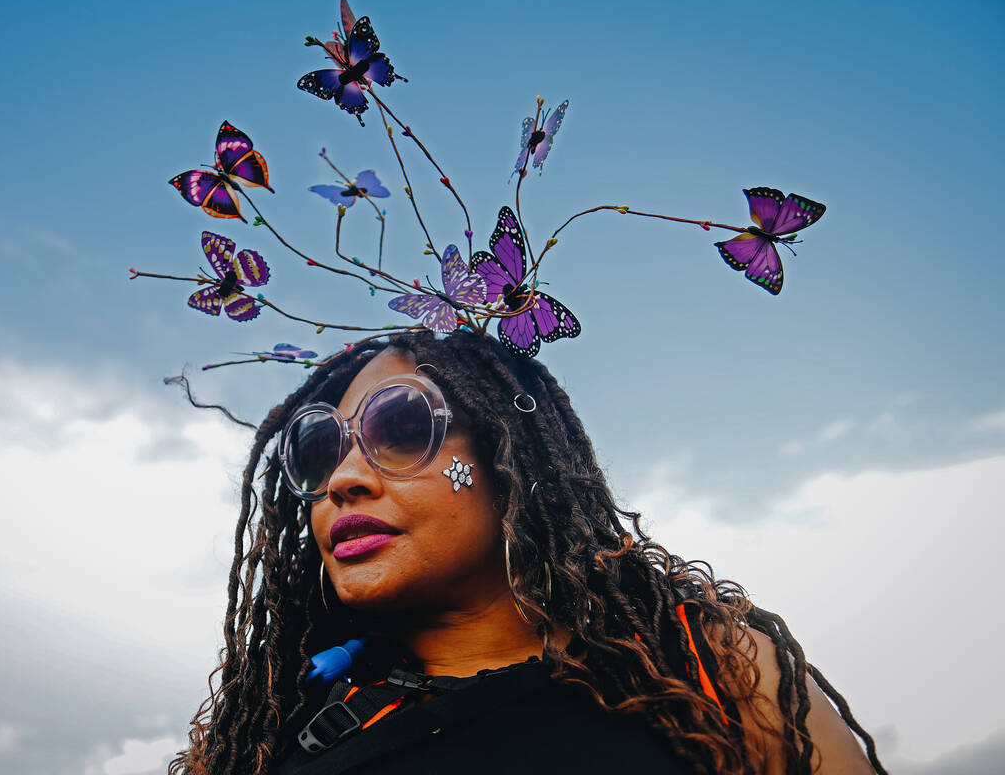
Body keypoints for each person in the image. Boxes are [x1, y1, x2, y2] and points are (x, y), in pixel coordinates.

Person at [168, 332, 885, 775]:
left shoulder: (705, 668)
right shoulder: (265, 736)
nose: (344, 480)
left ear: (507, 456)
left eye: (398, 427)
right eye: (320, 451)